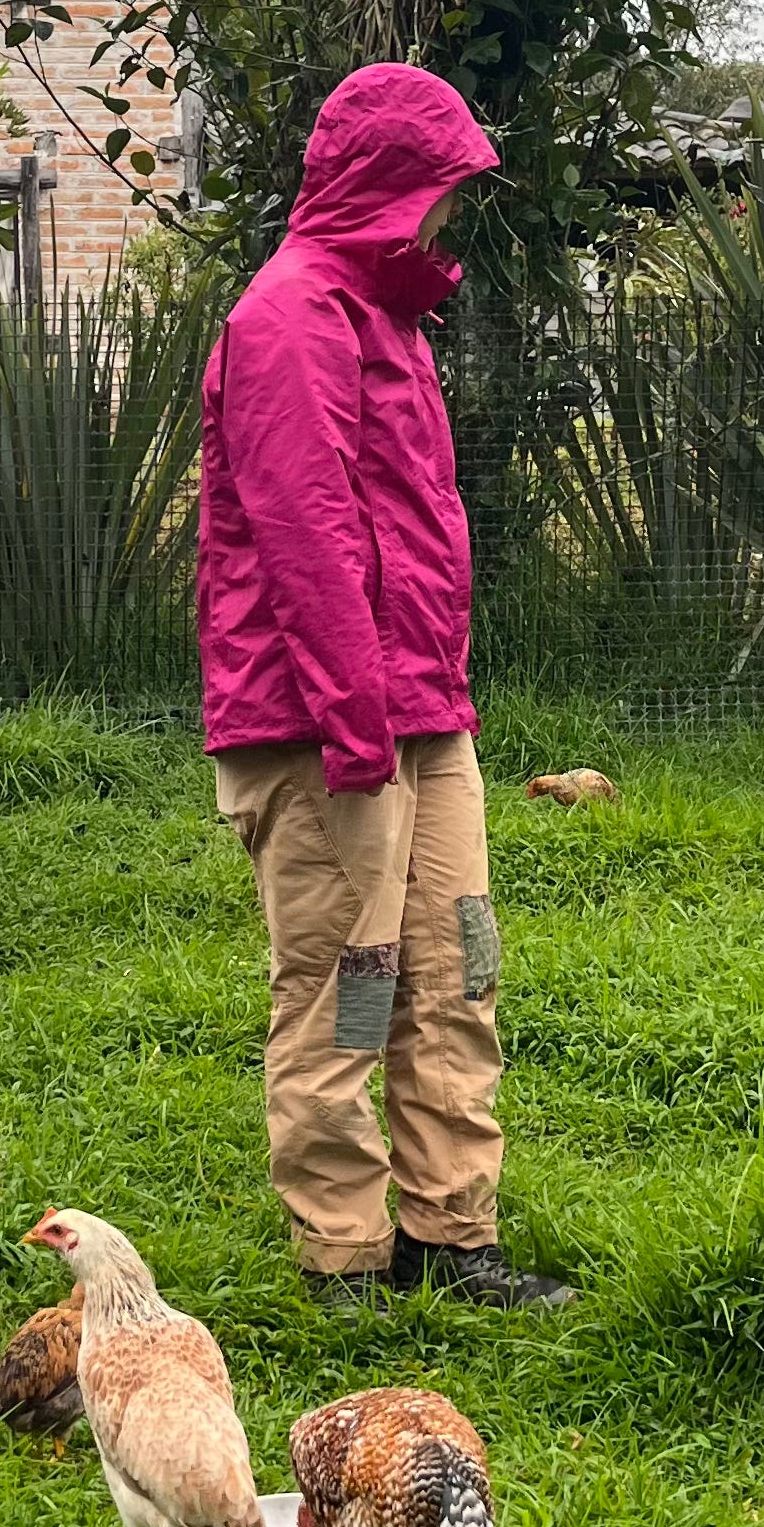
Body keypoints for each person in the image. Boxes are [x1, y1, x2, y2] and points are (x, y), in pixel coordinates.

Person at [196, 63, 572, 1312]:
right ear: (386, 183)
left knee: (461, 965)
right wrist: (357, 731)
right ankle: (344, 1258)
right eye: (441, 187)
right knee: (347, 990)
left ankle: (454, 1237)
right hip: (321, 724)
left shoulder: (389, 318)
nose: (451, 214)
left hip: (423, 711)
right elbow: (305, 538)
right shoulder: (291, 317)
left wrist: (425, 709)